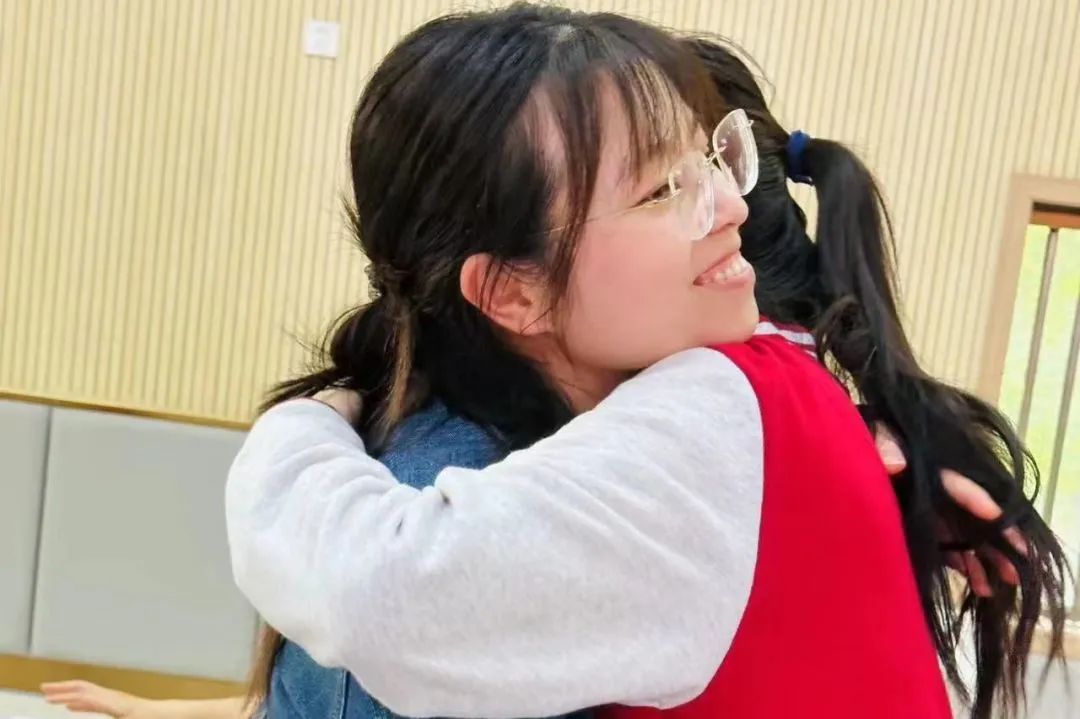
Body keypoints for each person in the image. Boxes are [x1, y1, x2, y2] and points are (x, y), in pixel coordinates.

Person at [225, 6, 1067, 719]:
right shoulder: (463, 470)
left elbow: (378, 593)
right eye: (664, 190)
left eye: (712, 159)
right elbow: (387, 597)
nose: (730, 203)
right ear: (513, 291)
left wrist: (304, 422)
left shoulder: (713, 410)